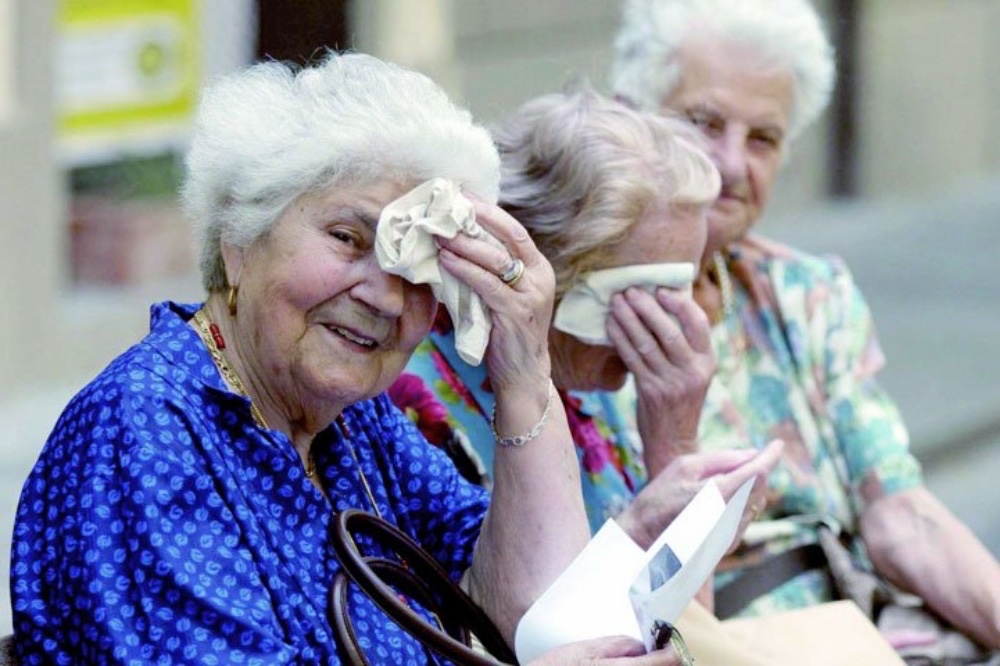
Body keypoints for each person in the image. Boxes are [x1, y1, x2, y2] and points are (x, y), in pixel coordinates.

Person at [9, 53, 683, 665]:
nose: (385, 296)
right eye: (347, 238)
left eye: (417, 266)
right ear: (239, 240)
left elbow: (532, 614)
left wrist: (524, 373)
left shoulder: (357, 426)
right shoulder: (143, 427)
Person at [609, 0, 1000, 656]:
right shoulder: (583, 332)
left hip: (853, 622)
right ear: (630, 118)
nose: (734, 164)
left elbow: (899, 513)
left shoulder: (805, 293)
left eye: (763, 138)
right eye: (704, 123)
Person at [394, 85, 782, 560]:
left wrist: (673, 445)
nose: (677, 320)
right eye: (644, 294)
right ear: (535, 261)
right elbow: (522, 606)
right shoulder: (413, 407)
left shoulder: (587, 381)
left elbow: (680, 608)